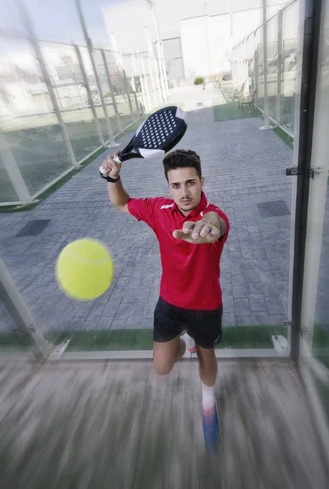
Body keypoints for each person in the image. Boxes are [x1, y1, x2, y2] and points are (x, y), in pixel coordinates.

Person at [100, 148, 229, 438]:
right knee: (161, 367)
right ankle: (185, 344)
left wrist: (206, 226)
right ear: (168, 187)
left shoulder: (215, 216)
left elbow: (215, 223)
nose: (184, 192)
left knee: (207, 357)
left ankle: (208, 403)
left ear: (202, 181)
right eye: (176, 185)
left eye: (191, 183)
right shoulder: (158, 209)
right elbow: (121, 204)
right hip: (169, 304)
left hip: (206, 306)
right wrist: (113, 178)